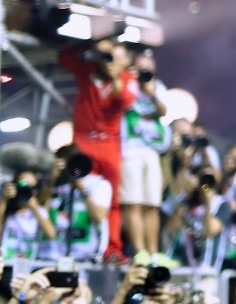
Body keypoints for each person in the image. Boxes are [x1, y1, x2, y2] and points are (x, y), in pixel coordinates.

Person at [58, 38, 135, 261]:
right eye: (109, 56)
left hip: (110, 144)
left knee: (112, 200)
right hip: (84, 141)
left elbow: (123, 101)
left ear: (126, 62)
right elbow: (64, 58)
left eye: (118, 58)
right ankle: (78, 244)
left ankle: (112, 249)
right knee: (81, 190)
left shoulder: (127, 79)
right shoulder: (88, 71)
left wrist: (114, 76)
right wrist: (91, 47)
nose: (112, 61)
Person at [120, 49, 169, 257]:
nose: (144, 72)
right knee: (134, 202)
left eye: (148, 69)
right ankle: (140, 252)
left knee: (152, 204)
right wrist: (131, 80)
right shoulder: (126, 84)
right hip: (130, 150)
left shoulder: (158, 87)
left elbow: (163, 111)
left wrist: (150, 92)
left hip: (151, 150)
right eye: (141, 68)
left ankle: (154, 253)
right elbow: (122, 103)